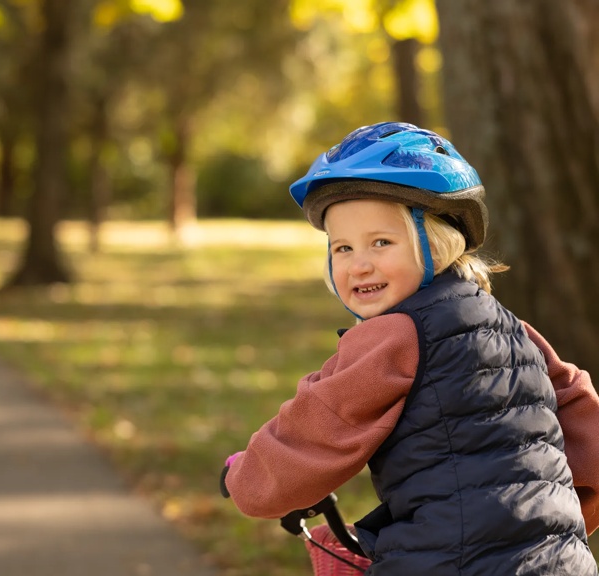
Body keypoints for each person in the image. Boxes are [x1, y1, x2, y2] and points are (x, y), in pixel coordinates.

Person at [220, 121, 599, 575]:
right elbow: (586, 428)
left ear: (435, 244)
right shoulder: (517, 329)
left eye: (381, 242)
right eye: (342, 248)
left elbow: (318, 424)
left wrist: (247, 477)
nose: (359, 264)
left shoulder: (395, 334)